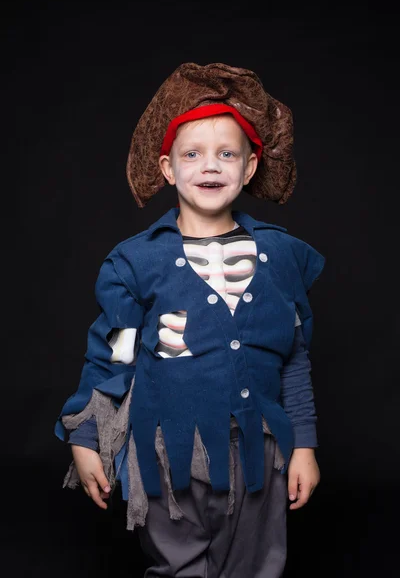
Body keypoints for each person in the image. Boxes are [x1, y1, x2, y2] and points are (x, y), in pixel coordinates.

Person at [55, 62, 325, 577]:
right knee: (179, 566)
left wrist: (304, 448)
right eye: (193, 154)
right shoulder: (137, 263)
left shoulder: (278, 256)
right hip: (168, 453)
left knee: (255, 566)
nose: (210, 166)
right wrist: (87, 437)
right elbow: (114, 352)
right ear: (167, 168)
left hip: (261, 452)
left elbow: (294, 359)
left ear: (248, 169)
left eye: (227, 154)